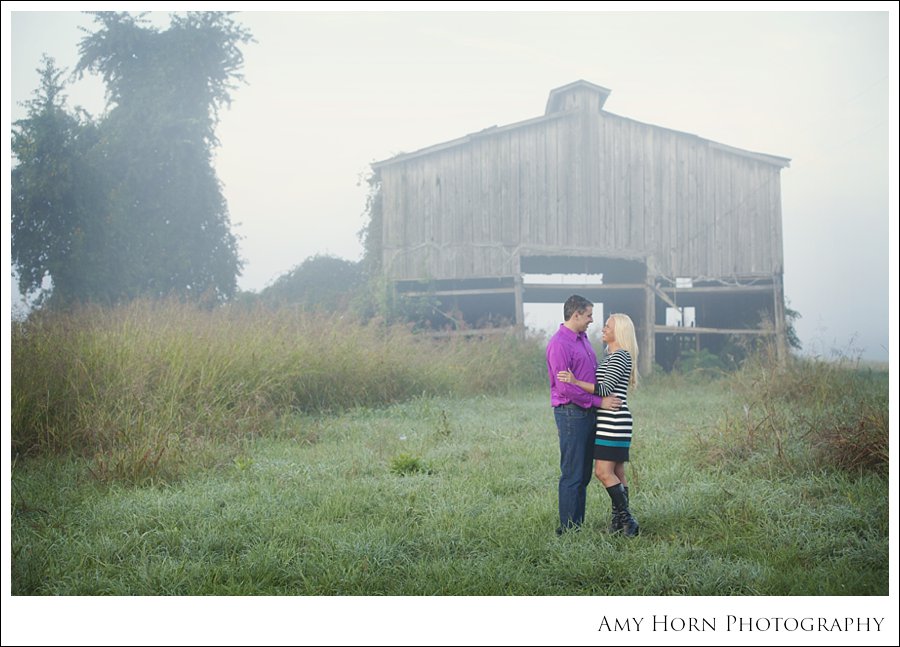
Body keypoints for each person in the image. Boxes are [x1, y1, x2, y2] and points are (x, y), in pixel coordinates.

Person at [558, 313, 640, 537]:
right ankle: (619, 523)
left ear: (619, 332)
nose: (603, 329)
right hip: (612, 419)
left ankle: (628, 519)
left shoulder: (620, 356)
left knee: (603, 472)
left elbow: (604, 390)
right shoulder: (613, 356)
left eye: (607, 326)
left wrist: (575, 381)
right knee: (617, 471)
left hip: (613, 421)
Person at [546, 295, 622, 536]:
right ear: (575, 314)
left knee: (584, 473)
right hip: (572, 414)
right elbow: (565, 387)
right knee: (573, 473)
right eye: (588, 315)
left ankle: (575, 525)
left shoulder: (583, 339)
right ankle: (568, 531)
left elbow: (594, 375)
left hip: (588, 412)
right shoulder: (559, 343)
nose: (592, 320)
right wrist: (600, 402)